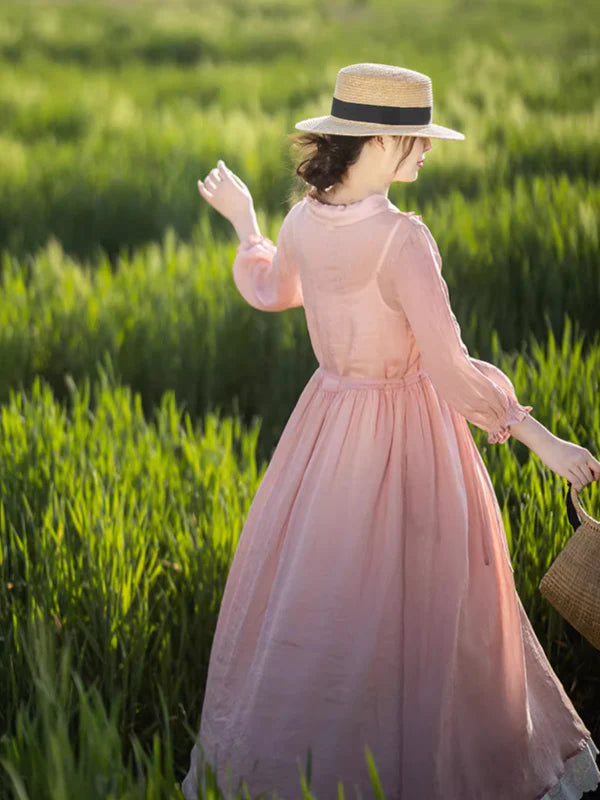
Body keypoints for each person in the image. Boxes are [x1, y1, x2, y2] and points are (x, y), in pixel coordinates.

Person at [182, 64, 600, 800]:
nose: (426, 154)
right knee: (435, 616)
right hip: (412, 441)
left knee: (326, 608)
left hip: (326, 437)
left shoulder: (304, 219)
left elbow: (270, 286)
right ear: (378, 139)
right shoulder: (403, 238)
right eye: (418, 140)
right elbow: (451, 369)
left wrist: (246, 222)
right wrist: (545, 442)